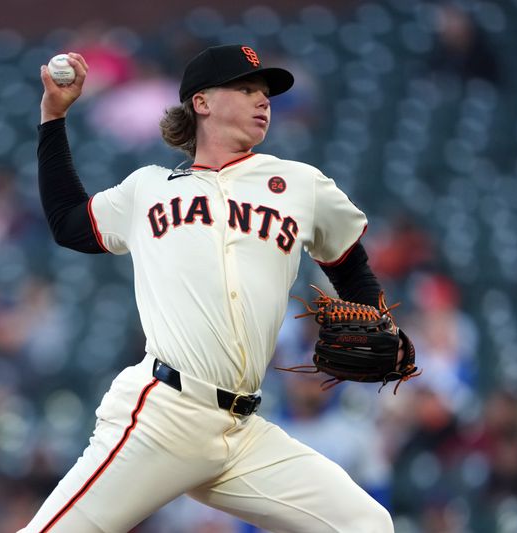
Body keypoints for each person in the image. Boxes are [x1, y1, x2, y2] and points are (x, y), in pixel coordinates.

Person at [22, 44, 406, 532]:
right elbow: (66, 223)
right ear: (201, 102)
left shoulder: (299, 186)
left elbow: (350, 265)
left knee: (366, 525)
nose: (262, 100)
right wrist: (52, 118)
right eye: (246, 89)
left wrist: (377, 322)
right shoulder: (149, 189)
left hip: (241, 430)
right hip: (164, 414)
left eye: (265, 93)